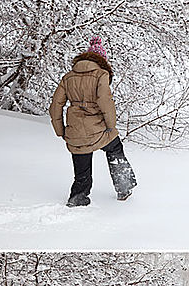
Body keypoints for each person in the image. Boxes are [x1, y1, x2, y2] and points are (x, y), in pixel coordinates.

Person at [49, 36, 137, 207]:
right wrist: (111, 127)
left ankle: (78, 196)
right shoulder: (101, 75)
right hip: (98, 128)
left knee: (81, 160)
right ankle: (124, 186)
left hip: (75, 129)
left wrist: (60, 130)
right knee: (115, 148)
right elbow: (105, 101)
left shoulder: (68, 77)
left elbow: (55, 105)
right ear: (101, 60)